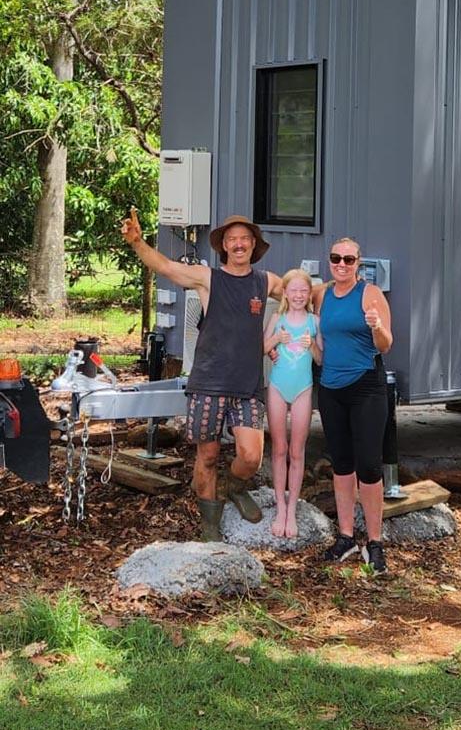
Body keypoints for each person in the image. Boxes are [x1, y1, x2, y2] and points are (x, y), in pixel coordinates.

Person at [121, 208, 283, 540]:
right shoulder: (208, 278)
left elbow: (302, 291)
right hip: (209, 382)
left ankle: (234, 485)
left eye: (244, 239)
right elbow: (166, 267)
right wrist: (138, 242)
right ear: (224, 245)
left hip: (248, 385)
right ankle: (210, 522)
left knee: (251, 456)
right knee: (207, 455)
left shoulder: (266, 281)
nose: (238, 245)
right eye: (232, 240)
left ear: (254, 244)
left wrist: (343, 288)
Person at [311, 237, 393, 573]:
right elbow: (318, 343)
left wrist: (376, 327)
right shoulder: (322, 295)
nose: (341, 264)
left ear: (358, 263)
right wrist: (289, 345)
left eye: (348, 259)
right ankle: (345, 537)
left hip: (366, 387)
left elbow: (386, 345)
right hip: (331, 388)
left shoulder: (370, 294)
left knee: (369, 467)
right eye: (336, 258)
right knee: (342, 465)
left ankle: (375, 542)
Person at [264, 269, 322, 539]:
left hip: (303, 390)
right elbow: (262, 347)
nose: (298, 295)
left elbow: (321, 360)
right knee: (279, 448)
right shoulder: (277, 317)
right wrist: (277, 340)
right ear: (284, 293)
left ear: (309, 294)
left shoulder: (315, 321)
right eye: (293, 290)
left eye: (303, 291)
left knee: (297, 451)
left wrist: (311, 346)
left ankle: (292, 509)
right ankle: (280, 508)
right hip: (277, 387)